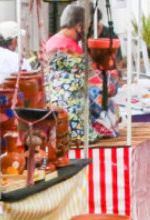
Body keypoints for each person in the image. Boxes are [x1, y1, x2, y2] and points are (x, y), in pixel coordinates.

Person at [43, 4, 92, 141]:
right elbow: (85, 76)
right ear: (78, 26)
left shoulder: (51, 41)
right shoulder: (70, 45)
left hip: (52, 102)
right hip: (71, 106)